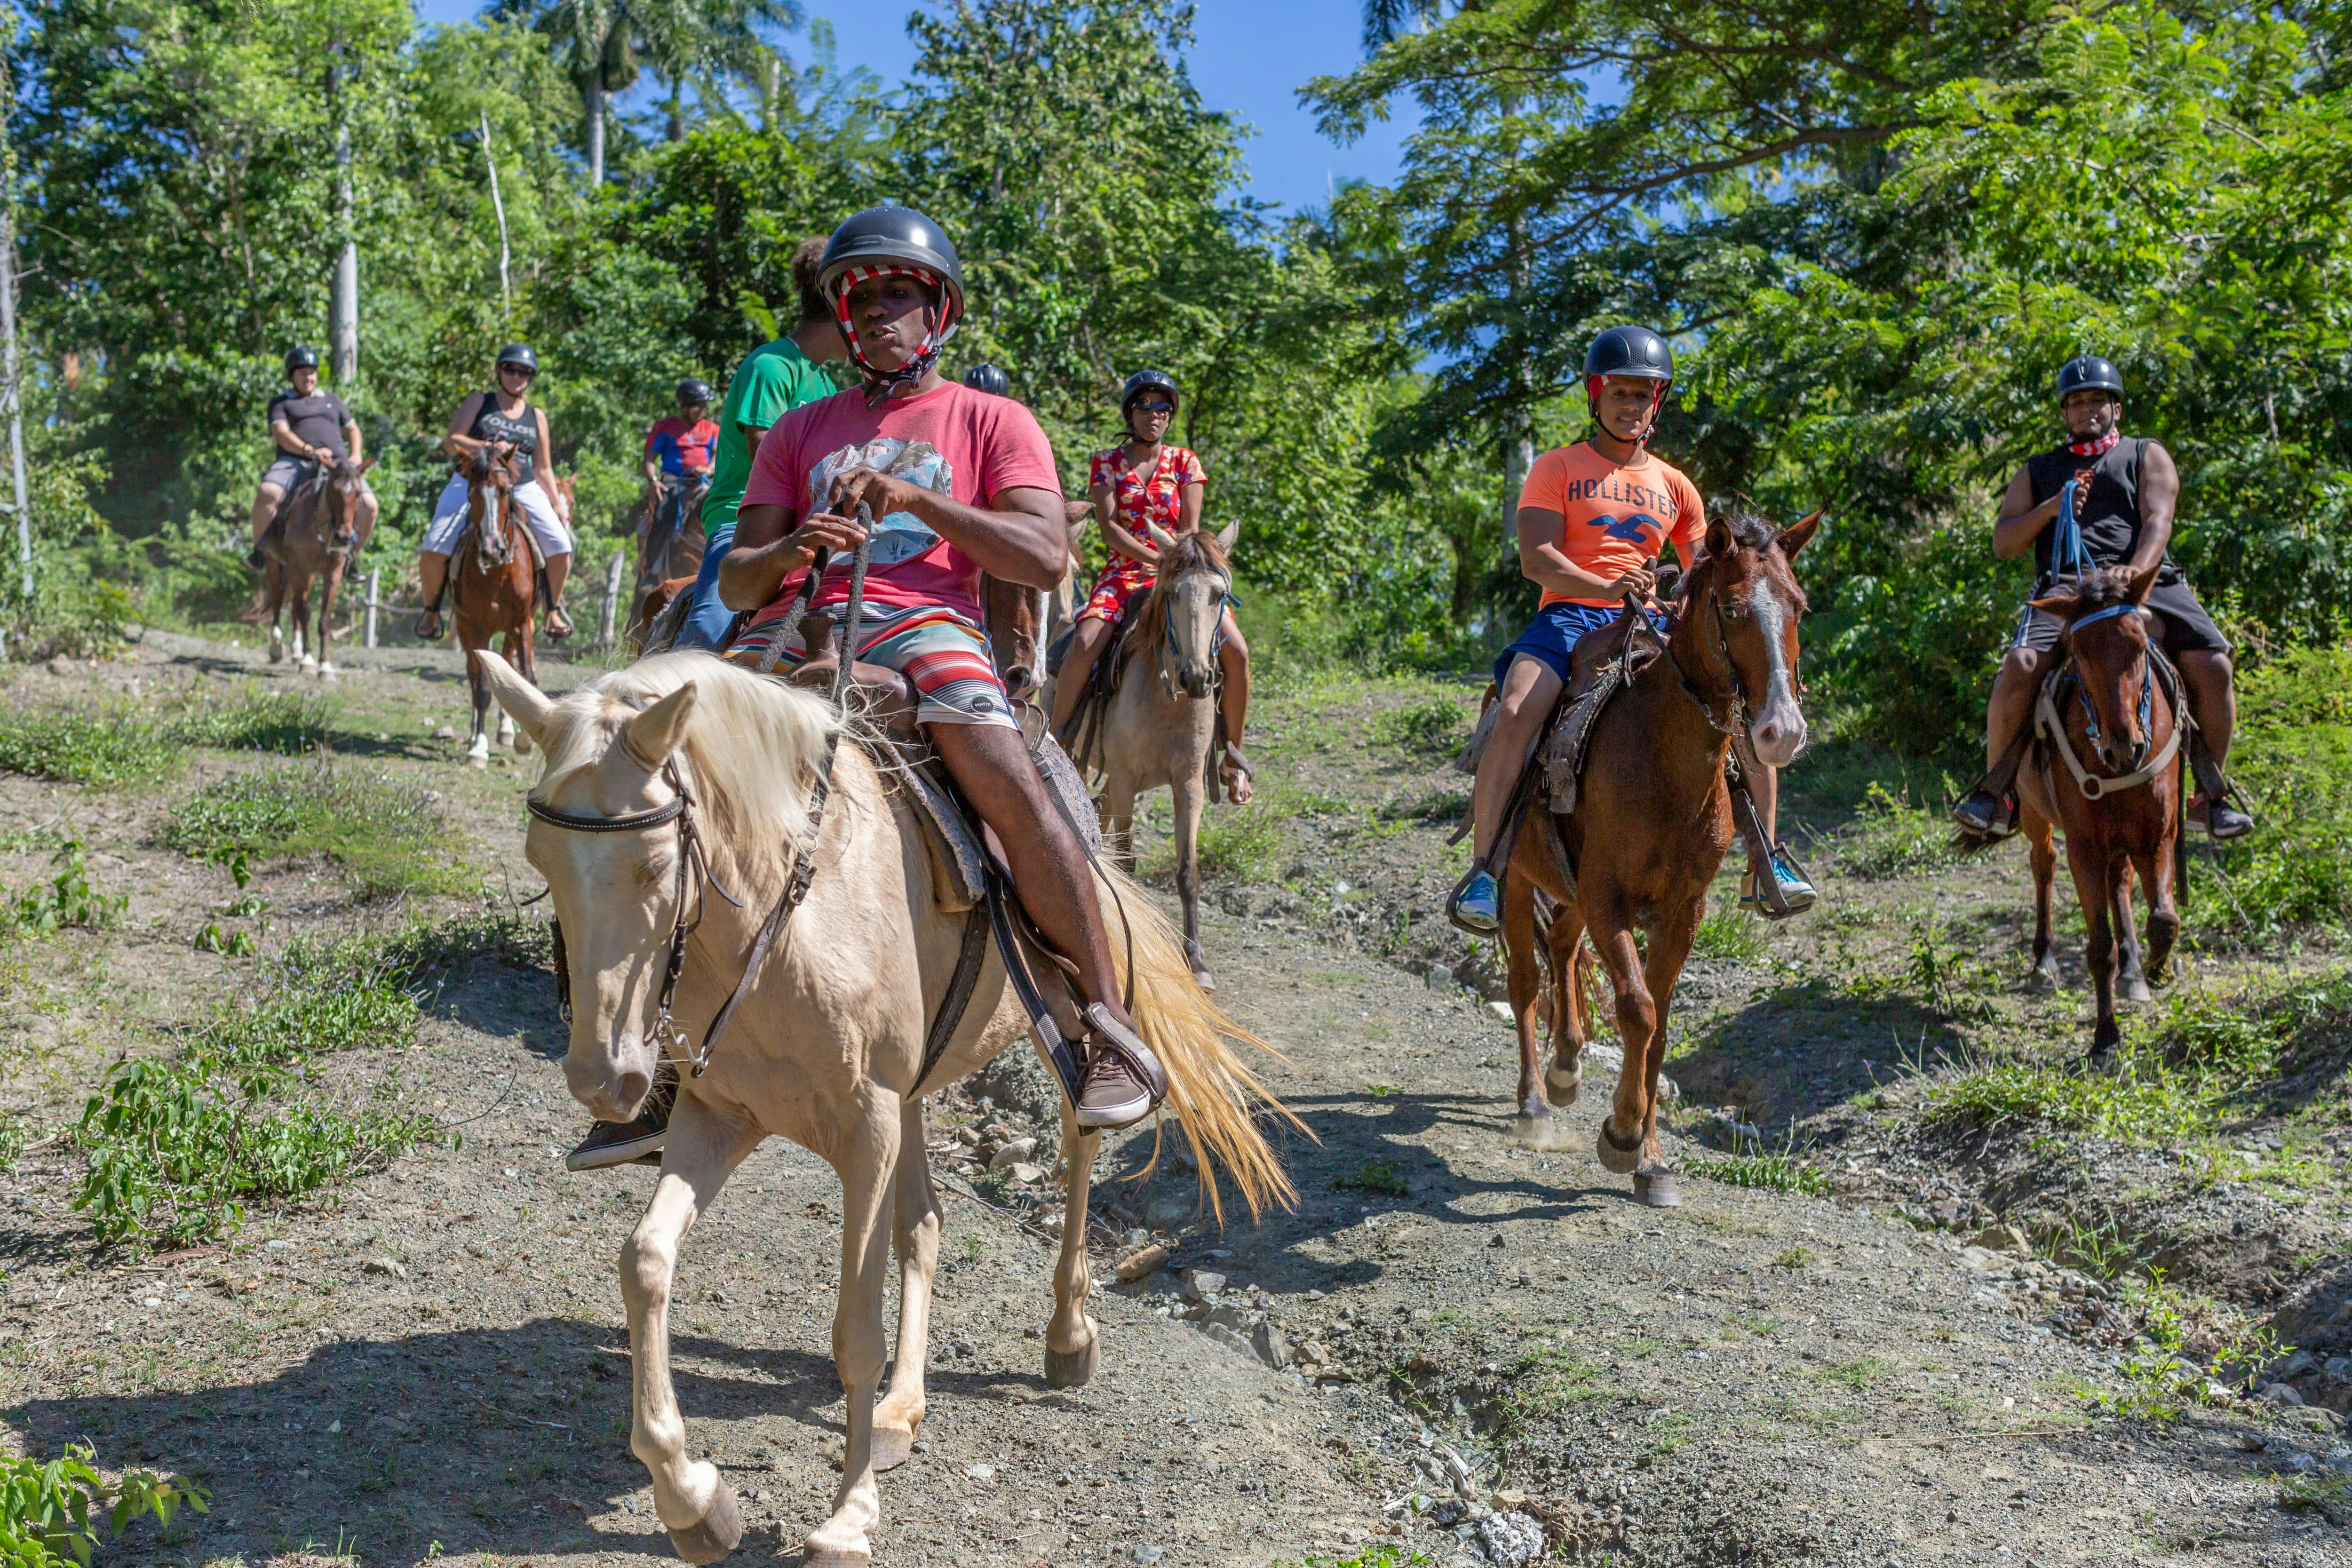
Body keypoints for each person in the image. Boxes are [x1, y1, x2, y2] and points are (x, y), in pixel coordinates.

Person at [566, 206, 1168, 1172]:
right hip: (788, 631)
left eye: (902, 295)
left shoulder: (991, 419)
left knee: (1000, 767)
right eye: (865, 298)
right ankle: (655, 1064)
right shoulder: (802, 428)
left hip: (927, 625)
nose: (882, 314)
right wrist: (798, 546)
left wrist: (919, 499)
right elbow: (738, 581)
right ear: (842, 318)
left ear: (939, 312)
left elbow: (1048, 554)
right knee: (625, 782)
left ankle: (1106, 1024)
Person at [1447, 325, 1815, 935]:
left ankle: (1766, 863)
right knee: (1516, 710)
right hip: (1567, 618)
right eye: (1619, 393)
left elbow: (1708, 570)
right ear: (1595, 395)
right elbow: (1536, 558)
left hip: (1652, 625)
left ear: (1657, 403)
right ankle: (1486, 870)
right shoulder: (1557, 468)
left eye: (1643, 395)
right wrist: (1604, 588)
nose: (1631, 406)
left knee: (1744, 708)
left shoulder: (1676, 486)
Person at [1951, 356, 2251, 841]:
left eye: (2096, 399)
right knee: (2021, 667)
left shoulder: (2144, 453)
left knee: (2213, 665)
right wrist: (2051, 509)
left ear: (2115, 406)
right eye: (2075, 402)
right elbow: (2004, 543)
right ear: (2063, 411)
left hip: (2141, 580)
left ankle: (2210, 795)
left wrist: (2137, 568)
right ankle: (1996, 794)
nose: (2085, 409)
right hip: (2067, 585)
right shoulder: (2039, 470)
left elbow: (2158, 519)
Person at [1044, 369, 1253, 800]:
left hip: (1183, 575)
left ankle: (1233, 756)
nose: (1154, 415)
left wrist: (1176, 565)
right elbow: (1109, 529)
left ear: (1170, 416)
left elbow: (1190, 528)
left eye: (1162, 408)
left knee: (1238, 651)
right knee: (1084, 643)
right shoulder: (1107, 462)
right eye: (1145, 406)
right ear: (1130, 412)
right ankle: (1061, 743)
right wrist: (1158, 558)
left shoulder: (1185, 462)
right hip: (1123, 573)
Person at [672, 239, 848, 652]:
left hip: (807, 524)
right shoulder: (771, 366)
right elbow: (764, 451)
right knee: (711, 629)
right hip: (743, 521)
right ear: (839, 310)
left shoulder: (828, 384)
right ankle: (662, 696)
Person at [415, 344, 575, 642]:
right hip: (472, 482)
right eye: (511, 369)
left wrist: (557, 504)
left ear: (531, 378)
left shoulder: (536, 416)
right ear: (500, 371)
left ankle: (552, 609)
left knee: (561, 545)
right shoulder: (481, 401)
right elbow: (452, 441)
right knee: (435, 546)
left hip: (521, 485)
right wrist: (486, 448)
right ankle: (432, 610)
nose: (517, 376)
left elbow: (544, 467)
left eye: (524, 372)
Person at [243, 346, 376, 573]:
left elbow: (353, 430)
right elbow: (282, 435)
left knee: (370, 506)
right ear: (292, 376)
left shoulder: (332, 400)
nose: (309, 378)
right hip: (296, 461)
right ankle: (259, 552)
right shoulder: (281, 403)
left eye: (312, 372)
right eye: (302, 373)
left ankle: (350, 559)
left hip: (338, 466)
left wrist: (356, 455)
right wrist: (309, 451)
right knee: (268, 492)